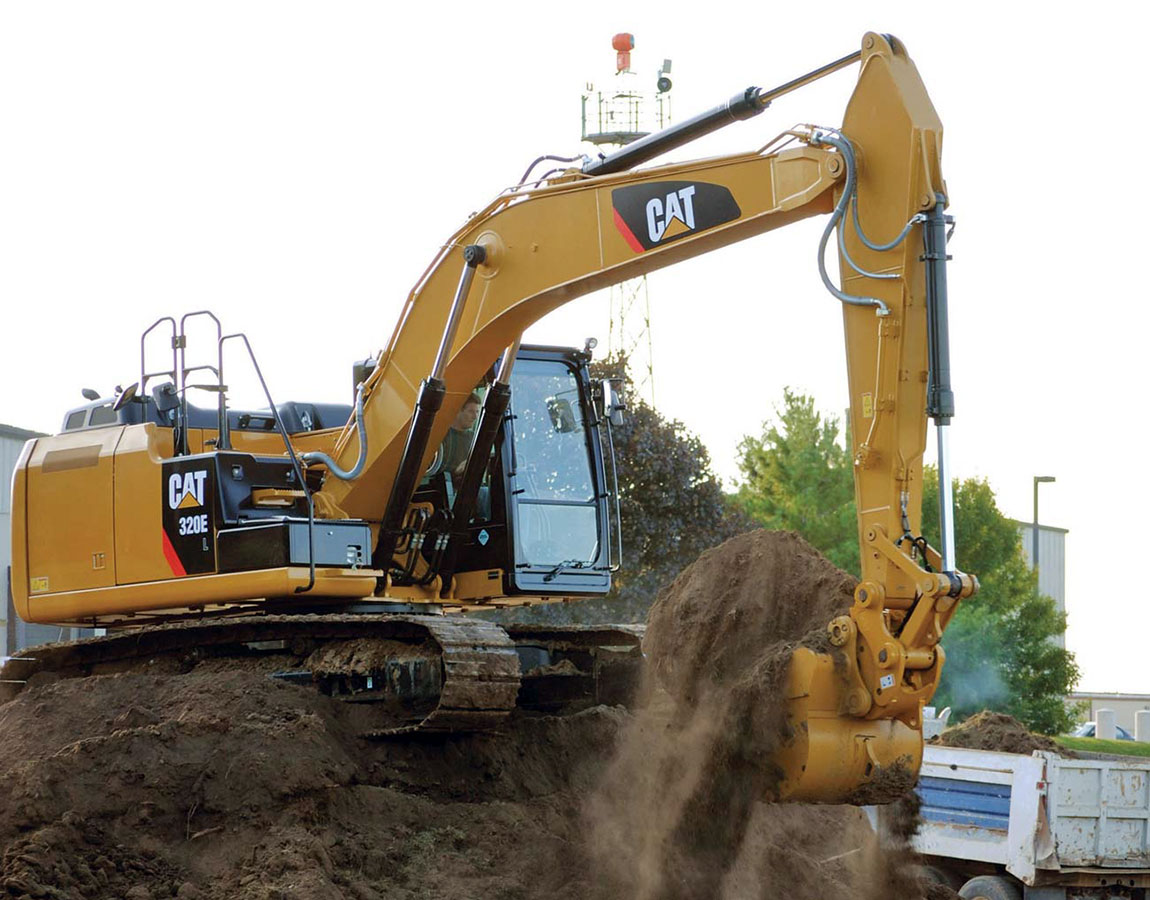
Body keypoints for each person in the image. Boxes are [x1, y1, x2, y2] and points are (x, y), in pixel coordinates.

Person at [438, 391, 482, 482]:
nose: (475, 417)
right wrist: (457, 470)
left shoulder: (475, 438)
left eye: (477, 412)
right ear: (458, 411)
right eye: (471, 411)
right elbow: (433, 470)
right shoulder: (441, 437)